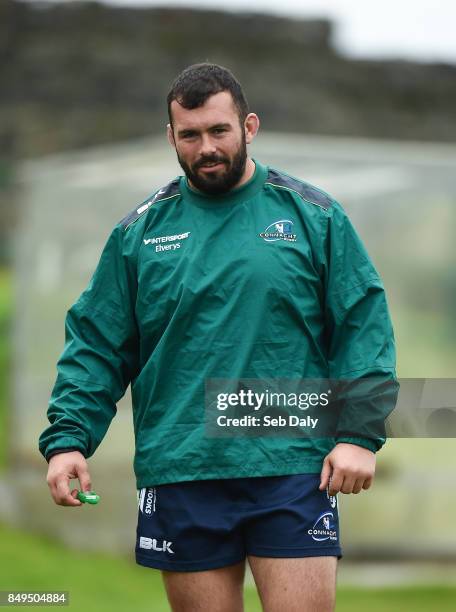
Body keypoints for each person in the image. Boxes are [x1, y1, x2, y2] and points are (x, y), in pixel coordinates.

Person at [39, 63, 397, 611]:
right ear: (171, 137)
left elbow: (362, 325)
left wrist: (358, 433)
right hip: (181, 465)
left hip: (292, 461)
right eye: (190, 135)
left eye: (219, 131)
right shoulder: (139, 234)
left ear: (249, 127)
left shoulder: (313, 215)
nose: (206, 147)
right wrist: (68, 440)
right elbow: (97, 344)